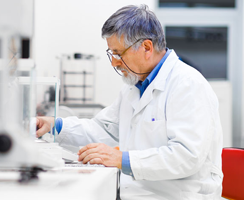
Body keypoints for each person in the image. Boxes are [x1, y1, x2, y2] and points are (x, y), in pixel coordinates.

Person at [36, 4, 223, 199]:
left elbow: (187, 156)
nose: (114, 62)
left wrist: (122, 159)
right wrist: (55, 125)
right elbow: (105, 130)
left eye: (118, 53)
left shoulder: (187, 84)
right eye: (111, 54)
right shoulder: (134, 87)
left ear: (147, 47)